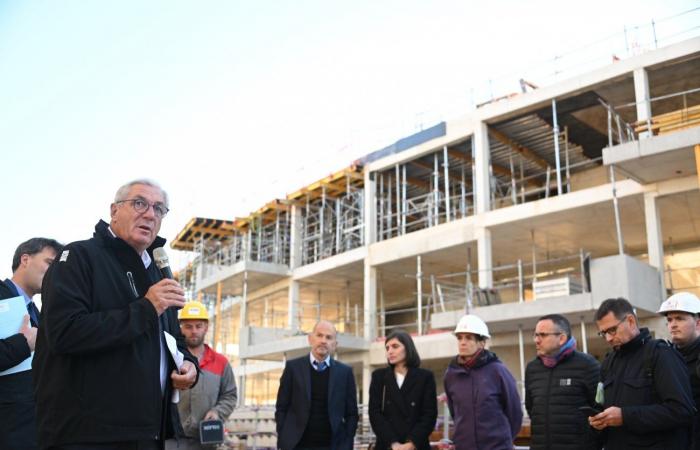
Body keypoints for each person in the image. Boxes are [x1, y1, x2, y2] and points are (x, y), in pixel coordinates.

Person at [33, 179, 199, 450]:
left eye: (159, 209)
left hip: (148, 431)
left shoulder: (157, 272)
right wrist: (147, 308)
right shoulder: (78, 257)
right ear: (114, 211)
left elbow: (174, 340)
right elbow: (64, 333)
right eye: (139, 203)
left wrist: (190, 365)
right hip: (87, 435)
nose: (149, 214)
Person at [589, 297, 694, 449]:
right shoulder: (608, 363)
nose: (608, 338)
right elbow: (600, 404)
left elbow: (681, 411)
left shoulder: (661, 354)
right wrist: (598, 422)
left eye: (612, 330)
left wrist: (625, 416)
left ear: (631, 321)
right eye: (603, 333)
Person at [0, 238, 62, 450]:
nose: (55, 273)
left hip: (36, 431)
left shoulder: (40, 314)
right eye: (49, 264)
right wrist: (23, 344)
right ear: (25, 259)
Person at [275, 320, 358, 450]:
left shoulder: (345, 373)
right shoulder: (293, 368)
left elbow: (352, 413)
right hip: (297, 445)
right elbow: (282, 407)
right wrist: (284, 436)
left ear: (335, 345)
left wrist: (347, 442)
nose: (323, 340)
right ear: (310, 339)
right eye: (319, 335)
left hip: (333, 445)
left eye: (329, 337)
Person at [443, 314, 522, 450]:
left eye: (468, 338)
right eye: (460, 337)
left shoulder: (498, 371)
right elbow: (455, 412)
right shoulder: (451, 374)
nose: (462, 342)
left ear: (482, 342)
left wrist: (503, 441)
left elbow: (514, 411)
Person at [166, 301, 237, 450]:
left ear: (206, 327)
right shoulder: (171, 359)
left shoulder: (221, 362)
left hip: (205, 441)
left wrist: (217, 412)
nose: (194, 331)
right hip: (172, 439)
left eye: (198, 326)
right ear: (180, 328)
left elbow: (229, 395)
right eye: (188, 326)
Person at [525, 314, 600, 450]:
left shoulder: (588, 365)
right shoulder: (532, 368)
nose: (536, 340)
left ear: (562, 338)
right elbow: (532, 409)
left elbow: (600, 410)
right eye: (535, 335)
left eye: (542, 335)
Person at [368, 329, 437, 450]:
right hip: (387, 445)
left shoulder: (425, 377)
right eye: (387, 348)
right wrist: (393, 443)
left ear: (408, 348)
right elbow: (375, 413)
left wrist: (411, 443)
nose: (390, 351)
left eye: (395, 346)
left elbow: (429, 415)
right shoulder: (379, 376)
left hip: (417, 445)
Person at [657, 292, 700, 450]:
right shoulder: (664, 357)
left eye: (680, 319)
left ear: (698, 323)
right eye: (669, 320)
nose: (672, 325)